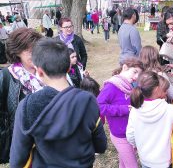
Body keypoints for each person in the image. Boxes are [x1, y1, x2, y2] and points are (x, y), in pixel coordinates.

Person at [9, 38, 107, 167]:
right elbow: (100, 145)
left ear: (39, 71)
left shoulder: (27, 107)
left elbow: (18, 158)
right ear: (68, 68)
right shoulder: (88, 100)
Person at [0, 28, 43, 163]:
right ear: (17, 52)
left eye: (37, 50)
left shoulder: (47, 69)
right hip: (23, 141)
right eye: (29, 51)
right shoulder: (7, 76)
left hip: (48, 138)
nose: (35, 54)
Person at [97, 58, 144, 168]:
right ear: (125, 67)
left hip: (128, 132)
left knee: (124, 162)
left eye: (139, 74)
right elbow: (98, 106)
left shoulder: (129, 85)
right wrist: (124, 109)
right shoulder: (112, 86)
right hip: (120, 135)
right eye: (135, 72)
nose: (136, 77)